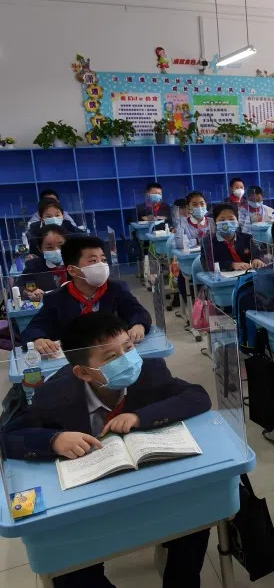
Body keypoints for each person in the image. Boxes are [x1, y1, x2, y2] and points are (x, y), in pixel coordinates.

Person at [2, 312, 212, 588]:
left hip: (149, 485)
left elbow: (197, 396)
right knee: (68, 565)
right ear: (83, 372)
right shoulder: (54, 395)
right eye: (111, 357)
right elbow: (9, 437)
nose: (127, 359)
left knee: (198, 513)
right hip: (87, 502)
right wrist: (54, 439)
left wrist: (141, 417)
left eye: (129, 348)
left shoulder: (150, 371)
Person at [22, 235, 152, 354]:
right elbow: (34, 328)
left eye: (103, 260)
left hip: (115, 354)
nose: (101, 265)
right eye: (93, 261)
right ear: (72, 270)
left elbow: (138, 312)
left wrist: (138, 325)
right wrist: (38, 340)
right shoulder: (56, 298)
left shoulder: (116, 289)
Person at [201, 203, 265, 272]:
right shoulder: (208, 241)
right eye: (222, 220)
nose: (227, 223)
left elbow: (258, 253)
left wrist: (257, 259)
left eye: (231, 219)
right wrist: (232, 265)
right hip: (224, 280)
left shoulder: (247, 238)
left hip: (248, 277)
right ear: (215, 222)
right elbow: (207, 265)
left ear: (237, 221)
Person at [18, 224, 67, 300]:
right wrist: (31, 291)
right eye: (49, 247)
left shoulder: (76, 262)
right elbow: (21, 286)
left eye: (61, 245)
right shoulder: (33, 267)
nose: (57, 250)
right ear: (40, 249)